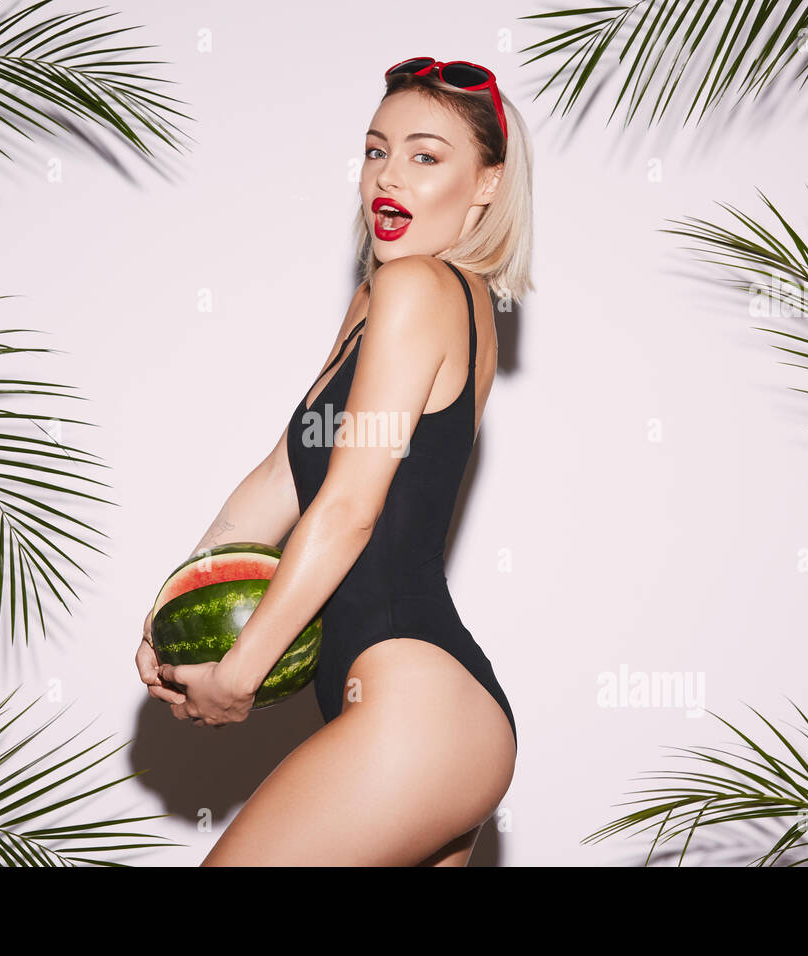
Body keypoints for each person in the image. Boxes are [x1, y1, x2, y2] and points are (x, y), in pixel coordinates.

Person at [136, 57, 534, 866]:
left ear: (488, 183)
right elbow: (284, 476)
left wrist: (240, 672)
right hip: (433, 716)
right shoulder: (383, 298)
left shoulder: (420, 287)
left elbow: (350, 508)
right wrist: (169, 609)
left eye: (427, 156)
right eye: (377, 150)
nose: (389, 176)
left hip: (415, 713)